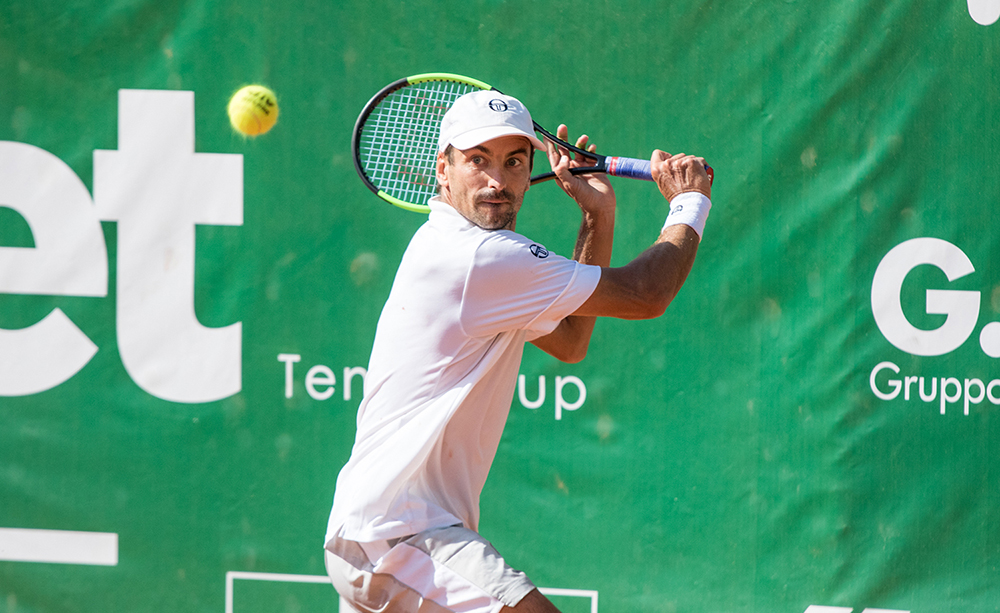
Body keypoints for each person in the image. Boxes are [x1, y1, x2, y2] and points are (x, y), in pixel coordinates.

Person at [324, 90, 713, 613]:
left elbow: (572, 341)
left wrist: (598, 214)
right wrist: (690, 203)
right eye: (477, 160)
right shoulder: (481, 257)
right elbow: (647, 293)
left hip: (388, 530)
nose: (496, 182)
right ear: (443, 169)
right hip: (396, 534)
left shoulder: (464, 251)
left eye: (514, 162)